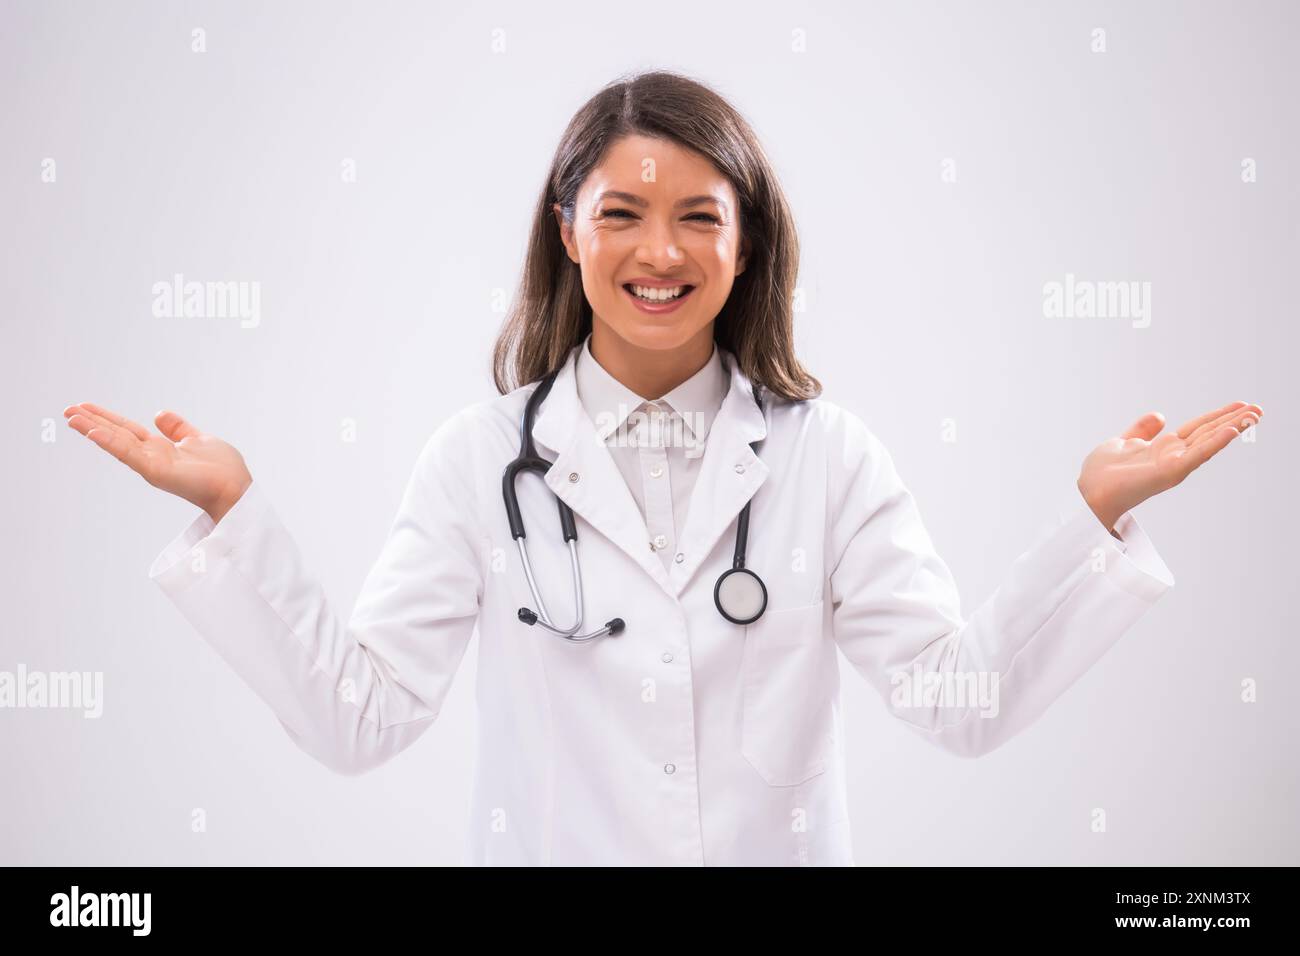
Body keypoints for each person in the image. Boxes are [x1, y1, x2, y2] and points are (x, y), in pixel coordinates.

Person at [64, 70, 1262, 866]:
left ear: (744, 245)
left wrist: (1094, 523)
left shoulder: (825, 456)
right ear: (567, 225)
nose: (659, 249)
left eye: (699, 213)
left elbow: (959, 702)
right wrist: (232, 514)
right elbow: (359, 719)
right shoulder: (481, 461)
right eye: (622, 210)